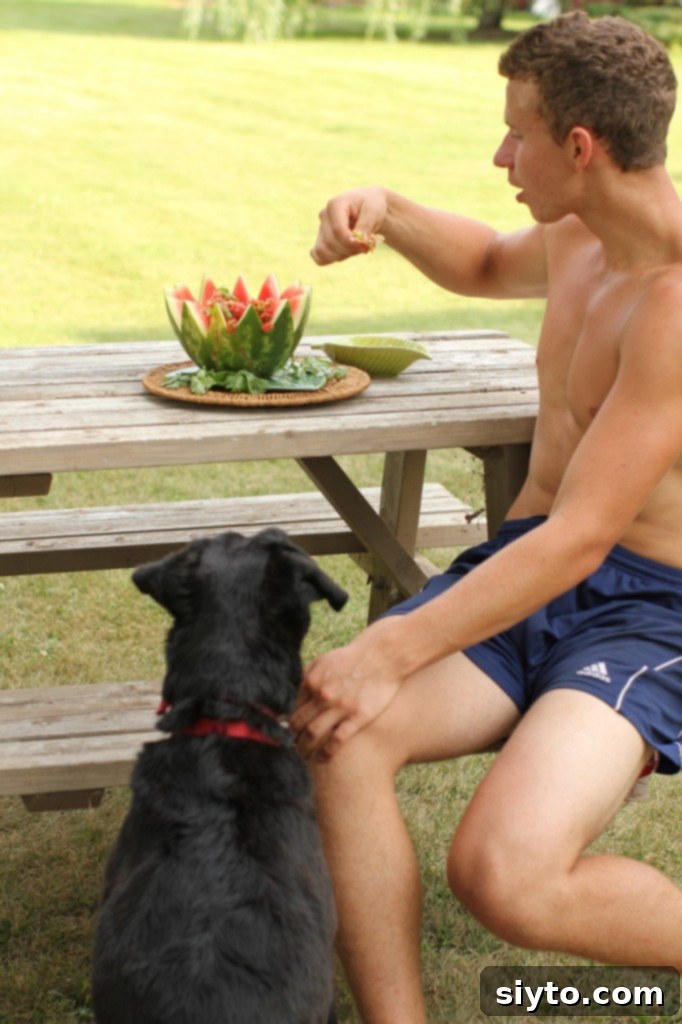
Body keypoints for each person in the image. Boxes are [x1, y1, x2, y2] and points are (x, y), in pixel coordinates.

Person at [289, 11, 682, 1022]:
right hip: (529, 569)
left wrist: (390, 646)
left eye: (517, 133)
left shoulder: (675, 306)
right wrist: (383, 206)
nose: (500, 154)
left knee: (504, 877)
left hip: (648, 612)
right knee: (341, 731)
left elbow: (586, 534)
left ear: (580, 149)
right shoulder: (579, 237)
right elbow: (479, 263)